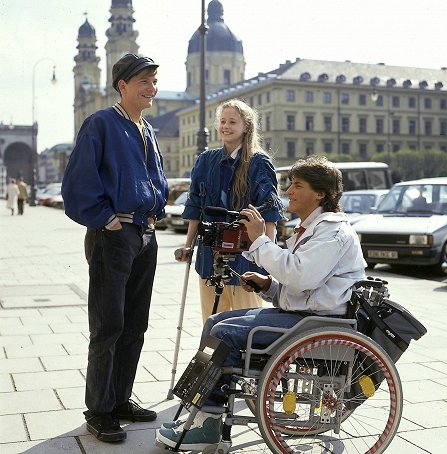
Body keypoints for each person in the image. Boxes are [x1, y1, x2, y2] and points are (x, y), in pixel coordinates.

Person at [157, 155, 367, 450]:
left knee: (224, 334)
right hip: (304, 314)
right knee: (215, 321)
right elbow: (301, 282)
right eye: (290, 184)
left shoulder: (333, 231)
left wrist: (258, 240)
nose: (288, 191)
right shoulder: (313, 227)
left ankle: (209, 423)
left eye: (297, 185)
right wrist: (268, 285)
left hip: (316, 323)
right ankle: (204, 413)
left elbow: (301, 276)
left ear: (320, 193)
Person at [61, 53, 169, 443]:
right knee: (108, 326)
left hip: (145, 235)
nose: (151, 88)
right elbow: (78, 181)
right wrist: (105, 219)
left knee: (135, 324)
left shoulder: (148, 130)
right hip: (115, 235)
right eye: (143, 81)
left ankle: (120, 398)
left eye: (154, 81)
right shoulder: (101, 123)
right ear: (122, 85)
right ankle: (100, 410)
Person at [176, 99, 283, 322]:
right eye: (223, 121)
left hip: (246, 256)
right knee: (212, 321)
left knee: (244, 322)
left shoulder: (259, 163)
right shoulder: (206, 160)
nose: (225, 126)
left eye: (232, 122)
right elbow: (195, 206)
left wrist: (270, 257)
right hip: (209, 254)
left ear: (246, 127)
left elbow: (270, 213)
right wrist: (188, 245)